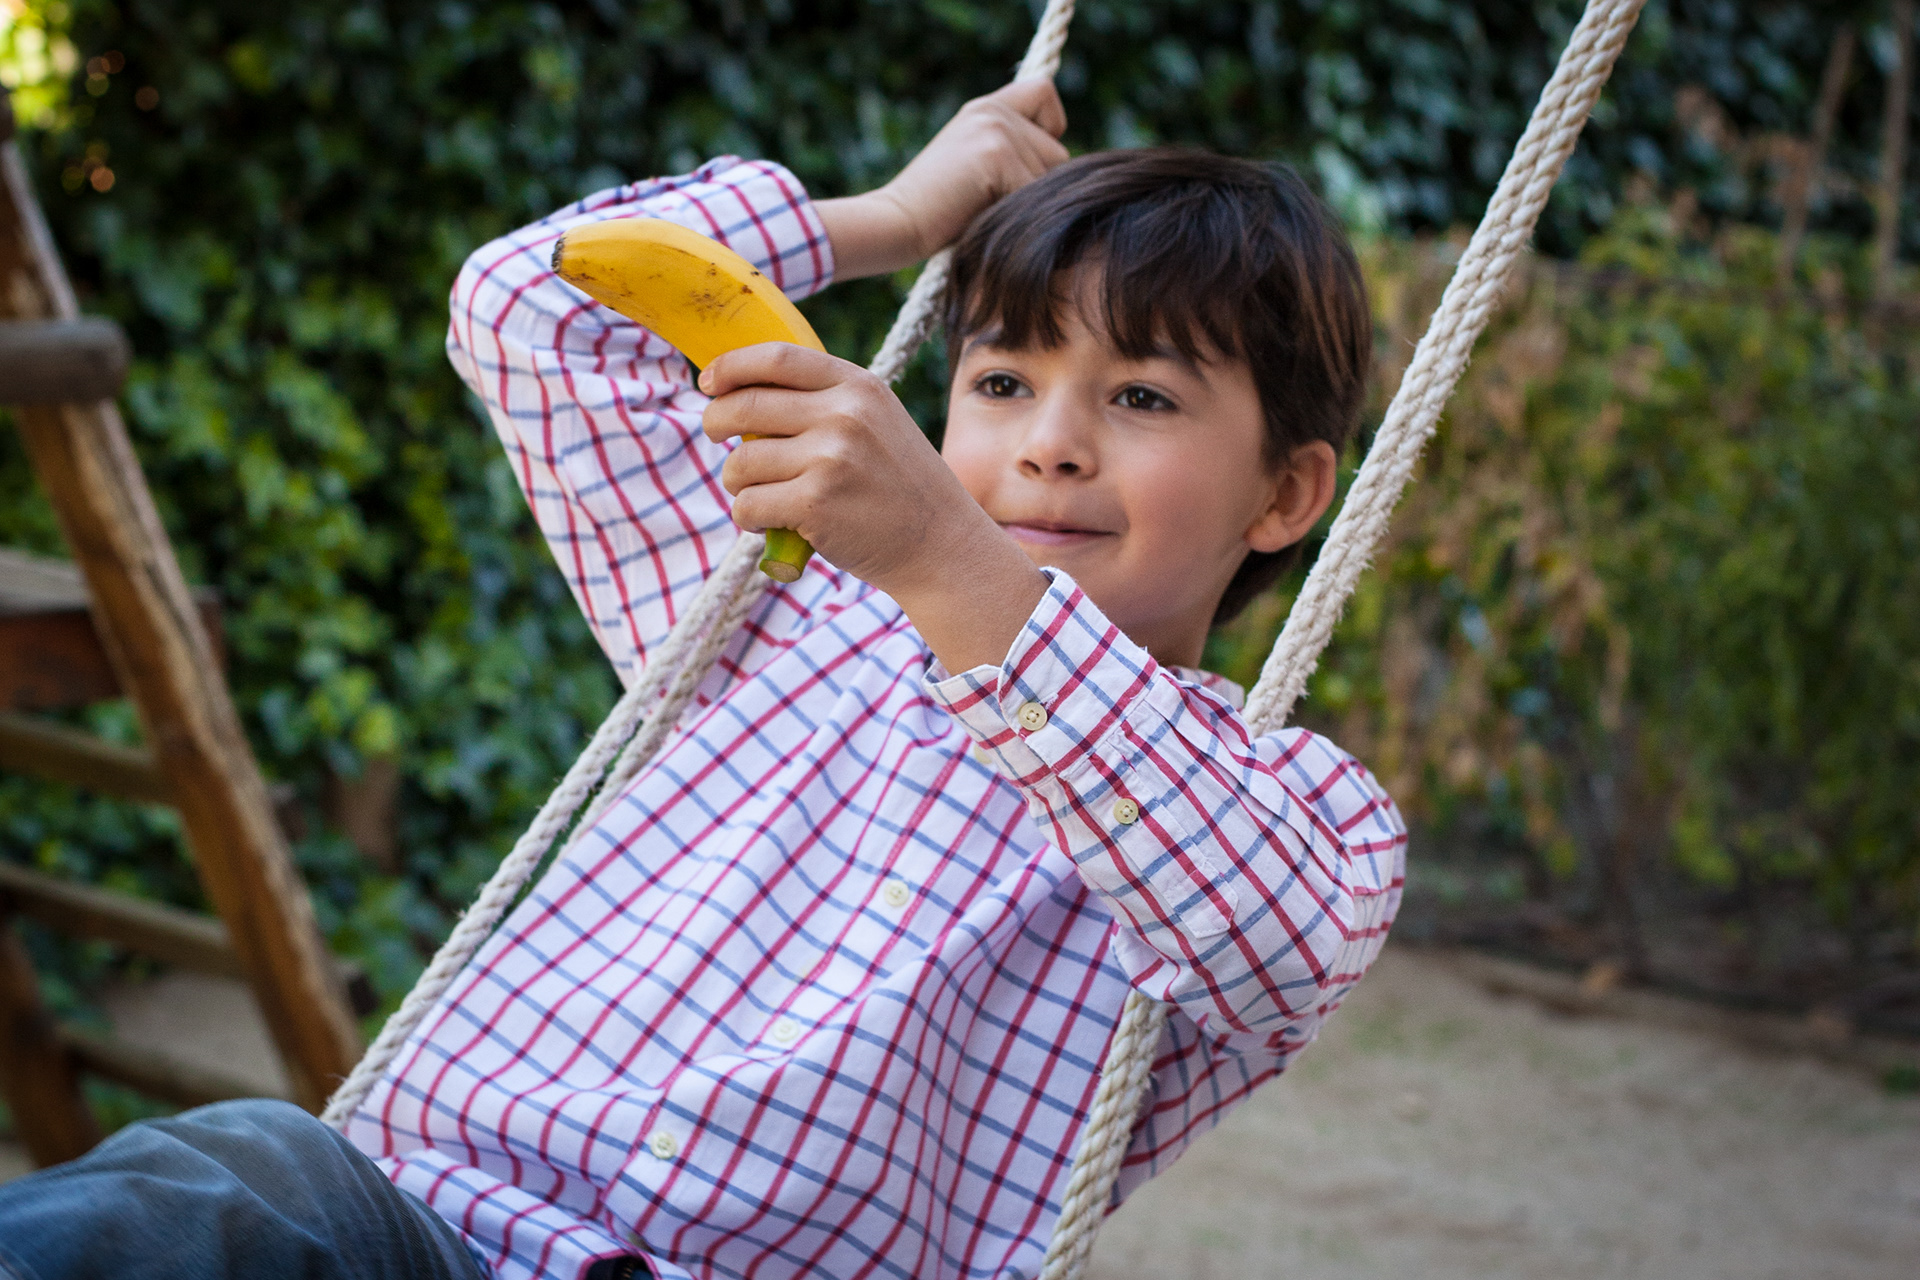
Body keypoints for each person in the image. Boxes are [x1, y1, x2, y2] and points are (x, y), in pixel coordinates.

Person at [0, 80, 1403, 1280]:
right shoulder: (786, 609)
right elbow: (529, 307)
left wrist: (950, 560)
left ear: (1285, 495)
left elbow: (1269, 933)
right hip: (432, 1232)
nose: (1050, 442)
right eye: (1000, 384)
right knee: (219, 1187)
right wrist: (894, 217)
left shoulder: (1296, 809)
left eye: (1142, 397)